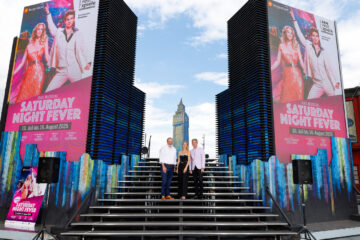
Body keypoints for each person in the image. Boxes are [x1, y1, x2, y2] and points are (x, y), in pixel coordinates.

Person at [290, 9, 340, 99]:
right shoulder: (308, 46)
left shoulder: (324, 52)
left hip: (327, 83)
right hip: (317, 84)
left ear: (319, 38)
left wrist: (336, 81)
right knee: (309, 100)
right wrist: (294, 19)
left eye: (317, 36)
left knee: (335, 101)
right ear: (311, 37)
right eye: (314, 35)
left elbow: (330, 68)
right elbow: (299, 34)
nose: (316, 38)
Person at [44, 4, 91, 92]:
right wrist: (48, 13)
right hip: (61, 70)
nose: (69, 21)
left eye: (71, 19)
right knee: (49, 91)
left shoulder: (78, 34)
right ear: (65, 21)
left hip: (74, 69)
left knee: (82, 92)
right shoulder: (58, 32)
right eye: (67, 19)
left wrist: (88, 62)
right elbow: (51, 27)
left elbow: (83, 48)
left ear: (74, 20)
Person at [14, 23, 50, 103]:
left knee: (35, 94)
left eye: (41, 29)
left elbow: (47, 57)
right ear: (35, 30)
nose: (39, 31)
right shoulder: (28, 46)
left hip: (39, 72)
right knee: (23, 93)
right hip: (29, 72)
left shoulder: (44, 42)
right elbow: (22, 63)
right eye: (38, 29)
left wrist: (55, 64)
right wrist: (13, 73)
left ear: (43, 31)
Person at [271, 25, 305, 103]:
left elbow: (301, 61)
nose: (290, 34)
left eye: (291, 33)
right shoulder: (281, 46)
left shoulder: (296, 46)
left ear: (293, 35)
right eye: (288, 32)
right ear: (285, 34)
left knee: (298, 95)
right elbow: (277, 61)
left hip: (297, 74)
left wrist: (308, 71)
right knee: (286, 96)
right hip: (287, 74)